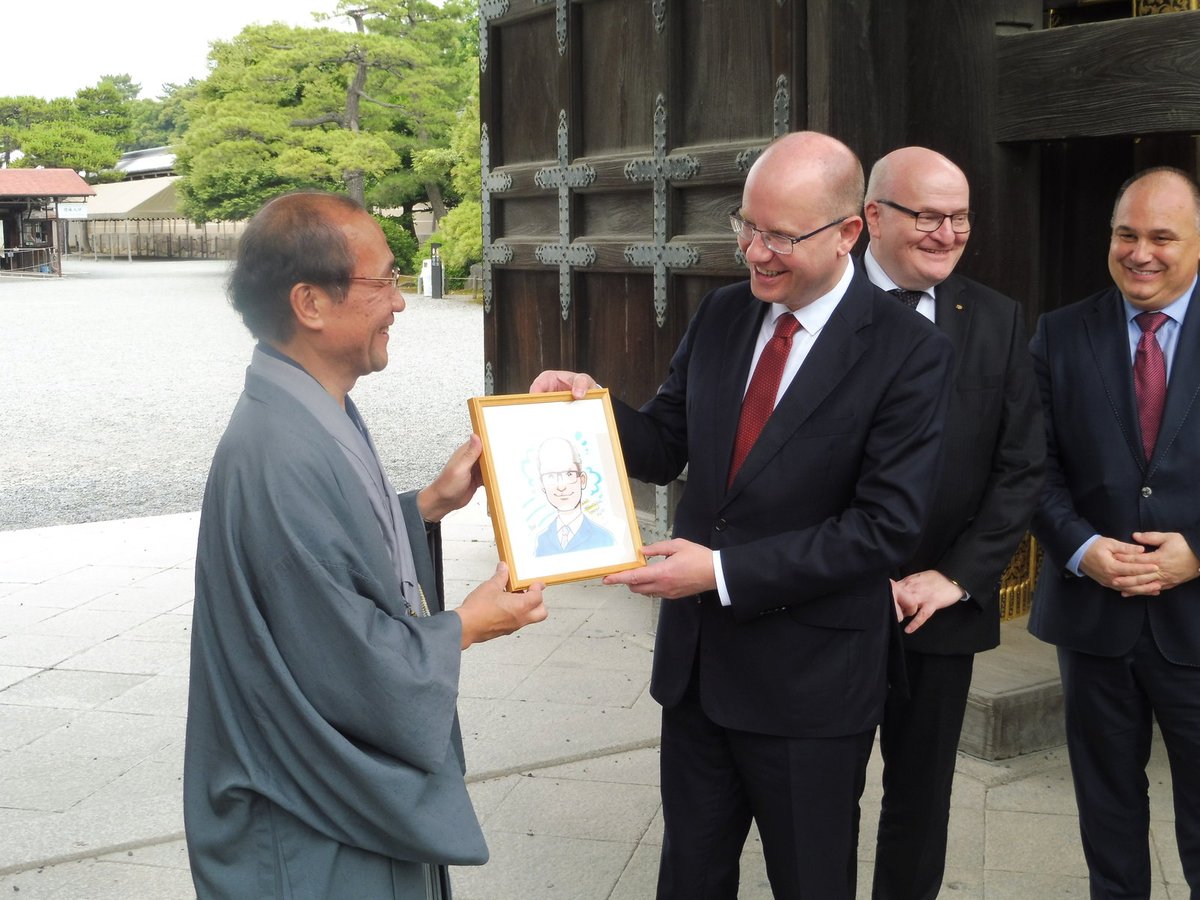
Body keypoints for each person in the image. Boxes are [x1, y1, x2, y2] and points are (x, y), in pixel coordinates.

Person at [531, 131, 955, 900]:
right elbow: (664, 442)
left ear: (849, 232)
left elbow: (883, 528)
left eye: (782, 236)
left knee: (810, 880)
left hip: (812, 686)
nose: (756, 252)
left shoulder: (909, 351)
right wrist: (593, 409)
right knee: (689, 878)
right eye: (747, 227)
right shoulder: (725, 314)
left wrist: (720, 572)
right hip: (698, 675)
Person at [183, 191, 548, 900]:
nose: (401, 303)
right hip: (306, 827)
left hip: (319, 810)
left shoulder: (307, 405)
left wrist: (424, 509)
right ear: (310, 304)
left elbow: (330, 564)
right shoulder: (279, 454)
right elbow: (340, 654)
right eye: (384, 282)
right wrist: (464, 627)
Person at [859, 147, 1045, 899]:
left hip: (940, 610)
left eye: (959, 218)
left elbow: (1020, 466)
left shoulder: (995, 319)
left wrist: (958, 576)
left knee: (920, 800)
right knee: (818, 796)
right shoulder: (823, 307)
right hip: (831, 601)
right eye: (927, 216)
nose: (947, 233)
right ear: (872, 216)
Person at [1028, 166, 1200, 899]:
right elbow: (1030, 467)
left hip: (1197, 623)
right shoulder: (1059, 333)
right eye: (1126, 234)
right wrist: (1079, 548)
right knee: (1107, 814)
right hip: (1094, 622)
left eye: (1163, 237)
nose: (1141, 252)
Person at [533, 436, 615, 555]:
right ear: (542, 485)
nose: (561, 486)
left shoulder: (605, 539)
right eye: (550, 476)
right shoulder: (540, 541)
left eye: (569, 474)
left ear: (582, 480)